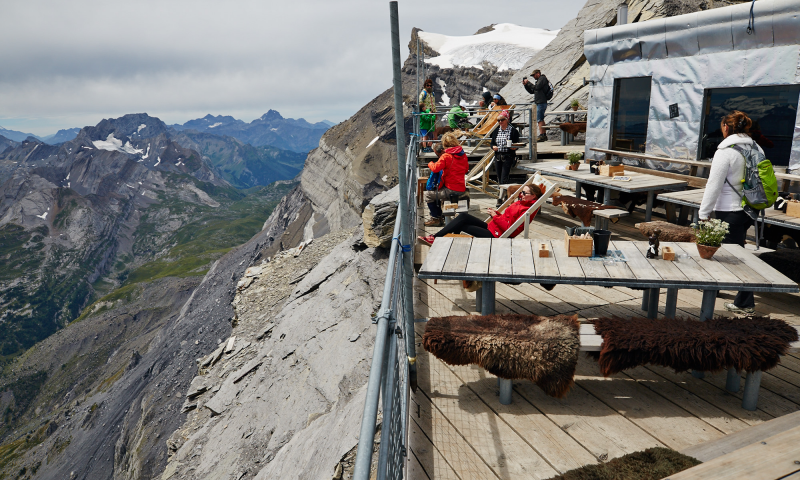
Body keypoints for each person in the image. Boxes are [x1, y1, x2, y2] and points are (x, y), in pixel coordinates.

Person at [698, 110, 762, 315]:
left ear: (726, 127)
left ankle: (745, 303)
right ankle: (716, 288)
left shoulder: (725, 151)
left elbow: (713, 185)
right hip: (749, 209)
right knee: (733, 250)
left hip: (729, 209)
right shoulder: (756, 147)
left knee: (733, 257)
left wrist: (703, 212)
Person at [418, 184, 542, 243]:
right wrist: (496, 213)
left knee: (460, 224)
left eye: (524, 193)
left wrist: (495, 216)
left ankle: (436, 239)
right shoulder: (521, 203)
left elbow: (509, 228)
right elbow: (506, 218)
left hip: (497, 236)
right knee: (462, 216)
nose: (521, 195)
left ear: (534, 196)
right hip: (493, 227)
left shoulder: (526, 211)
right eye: (522, 192)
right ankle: (436, 238)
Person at [423, 131, 469, 227]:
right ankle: (440, 216)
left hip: (450, 190)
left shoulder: (446, 156)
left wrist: (430, 163)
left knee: (427, 195)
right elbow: (466, 169)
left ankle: (436, 218)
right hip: (461, 188)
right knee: (439, 193)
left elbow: (435, 168)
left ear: (444, 144)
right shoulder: (463, 154)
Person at [490, 110, 520, 184]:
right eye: (498, 120)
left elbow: (517, 143)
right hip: (498, 156)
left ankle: (504, 193)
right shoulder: (496, 131)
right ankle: (502, 192)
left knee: (504, 177)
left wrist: (514, 147)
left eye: (502, 120)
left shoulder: (513, 131)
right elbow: (492, 143)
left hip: (508, 156)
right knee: (499, 177)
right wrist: (493, 147)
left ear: (507, 120)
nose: (500, 122)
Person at [523, 69, 550, 142]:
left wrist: (528, 82)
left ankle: (542, 135)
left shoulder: (542, 78)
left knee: (539, 119)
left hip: (541, 102)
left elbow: (536, 87)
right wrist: (526, 85)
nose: (533, 77)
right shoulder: (539, 81)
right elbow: (532, 91)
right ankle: (543, 135)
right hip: (539, 102)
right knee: (540, 118)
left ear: (538, 74)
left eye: (534, 75)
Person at [419, 78, 438, 152]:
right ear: (425, 85)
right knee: (425, 133)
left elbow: (433, 104)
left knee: (432, 130)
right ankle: (424, 147)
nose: (429, 87)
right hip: (426, 114)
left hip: (432, 114)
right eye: (428, 85)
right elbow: (420, 103)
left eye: (430, 85)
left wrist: (435, 113)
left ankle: (429, 147)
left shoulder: (432, 93)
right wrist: (425, 111)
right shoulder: (423, 93)